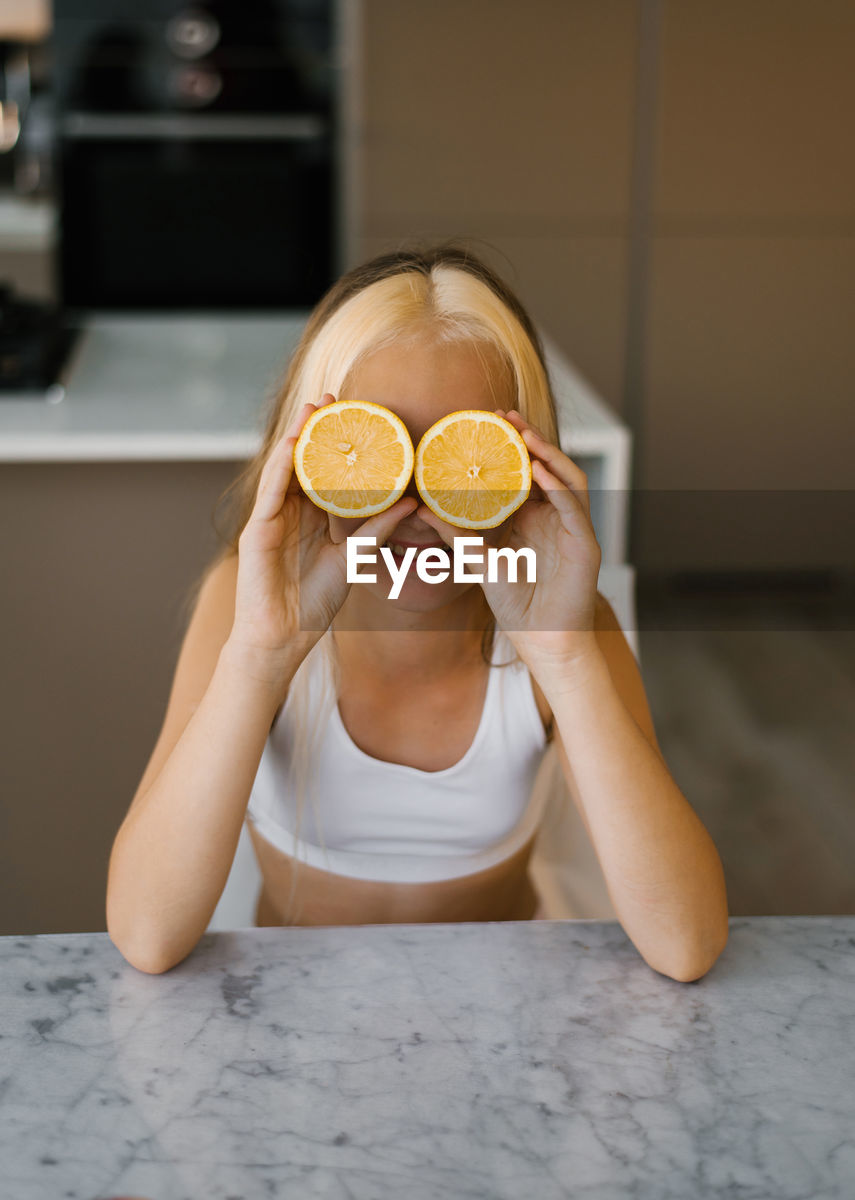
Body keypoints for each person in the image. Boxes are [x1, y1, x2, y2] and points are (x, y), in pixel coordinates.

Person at [106, 243, 729, 980]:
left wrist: (561, 656)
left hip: (499, 1007)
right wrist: (262, 657)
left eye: (460, 463)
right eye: (376, 456)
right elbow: (146, 934)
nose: (416, 512)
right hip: (295, 1010)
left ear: (522, 473)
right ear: (306, 463)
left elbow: (685, 945)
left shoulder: (565, 627)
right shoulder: (245, 604)